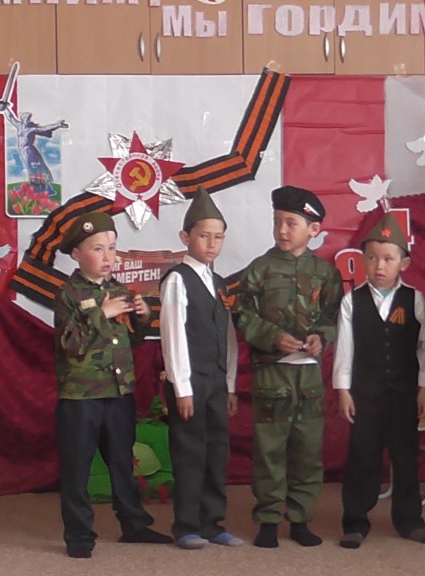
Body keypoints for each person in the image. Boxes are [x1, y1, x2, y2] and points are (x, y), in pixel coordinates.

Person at [54, 212, 172, 559]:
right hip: (81, 397)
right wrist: (100, 314)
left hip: (119, 392)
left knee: (123, 462)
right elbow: (70, 345)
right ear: (76, 253)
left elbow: (130, 341)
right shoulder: (68, 294)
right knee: (77, 468)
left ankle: (134, 524)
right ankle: (79, 535)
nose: (107, 257)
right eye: (97, 249)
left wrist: (142, 318)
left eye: (112, 248)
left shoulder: (118, 290)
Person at [236, 185, 342, 548]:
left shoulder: (325, 273)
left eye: (291, 223)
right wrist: (271, 336)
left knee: (307, 451)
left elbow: (333, 316)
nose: (282, 230)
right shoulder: (260, 269)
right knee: (269, 451)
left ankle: (300, 519)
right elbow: (242, 316)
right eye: (277, 222)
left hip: (308, 379)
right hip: (272, 376)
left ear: (313, 229)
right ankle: (267, 519)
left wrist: (321, 338)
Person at [334, 213, 425, 549]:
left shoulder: (413, 298)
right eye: (373, 258)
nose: (380, 266)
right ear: (363, 259)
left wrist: (424, 387)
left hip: (404, 393)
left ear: (403, 263)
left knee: (406, 456)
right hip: (365, 393)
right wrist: (343, 390)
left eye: (388, 259)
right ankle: (355, 522)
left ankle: (410, 521)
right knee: (363, 456)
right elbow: (345, 347)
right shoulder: (352, 301)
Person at [159, 188, 242, 550]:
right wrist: (182, 387)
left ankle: (212, 522)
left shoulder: (219, 283)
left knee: (216, 450)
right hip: (190, 382)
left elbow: (228, 336)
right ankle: (186, 525)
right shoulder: (178, 279)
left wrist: (230, 383)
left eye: (218, 237)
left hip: (216, 380)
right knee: (190, 452)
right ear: (185, 237)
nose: (211, 244)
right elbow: (173, 335)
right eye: (203, 236)